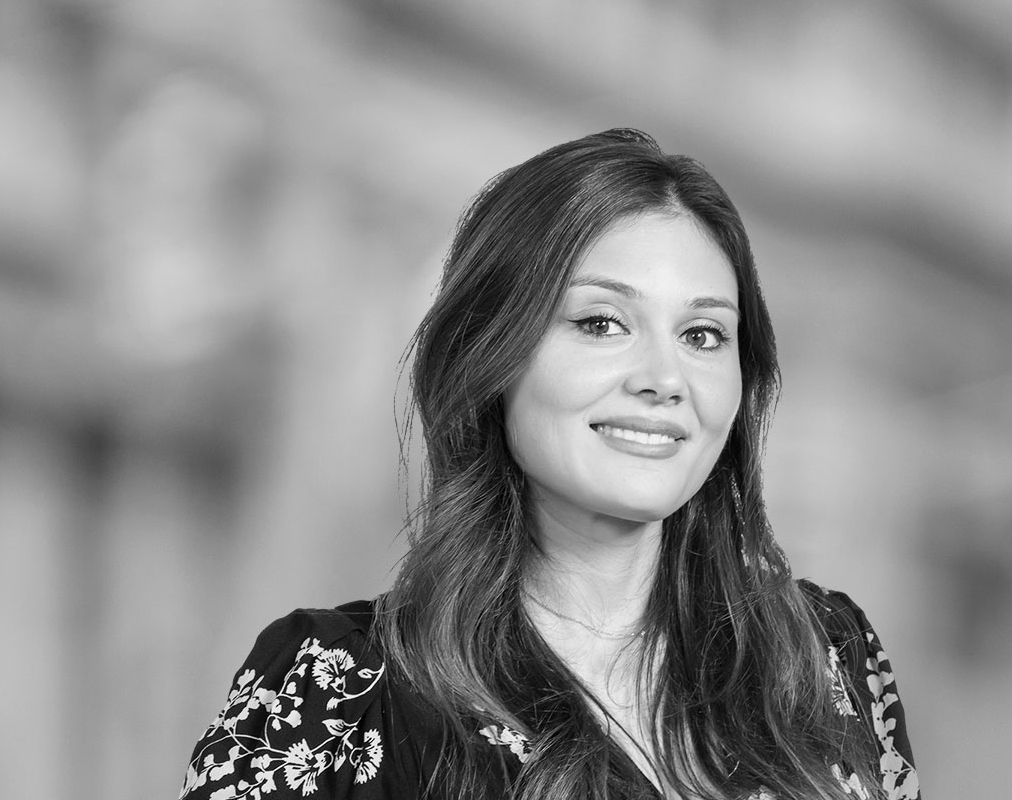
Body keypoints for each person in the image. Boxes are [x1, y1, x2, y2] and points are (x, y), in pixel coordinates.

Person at [178, 129, 921, 800]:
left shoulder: (822, 654)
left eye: (702, 335)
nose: (665, 379)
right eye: (602, 323)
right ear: (490, 356)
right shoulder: (337, 693)